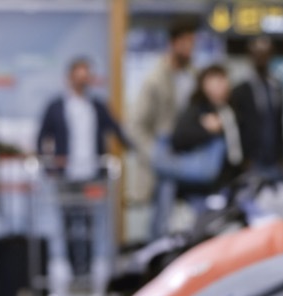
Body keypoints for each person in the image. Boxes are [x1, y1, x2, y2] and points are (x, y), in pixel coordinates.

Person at [131, 16, 198, 238]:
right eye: (186, 42)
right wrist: (155, 153)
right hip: (164, 155)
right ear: (174, 43)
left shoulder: (193, 77)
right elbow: (135, 125)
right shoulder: (155, 79)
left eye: (192, 42)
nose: (190, 48)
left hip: (189, 156)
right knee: (161, 223)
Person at [36, 57, 131, 181]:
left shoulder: (97, 107)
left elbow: (116, 129)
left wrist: (134, 148)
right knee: (68, 200)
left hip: (94, 172)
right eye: (78, 78)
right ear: (70, 78)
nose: (82, 82)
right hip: (65, 174)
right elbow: (42, 137)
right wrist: (47, 167)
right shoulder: (56, 107)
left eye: (85, 78)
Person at [171, 65, 245, 198]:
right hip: (203, 187)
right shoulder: (198, 108)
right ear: (205, 84)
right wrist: (207, 130)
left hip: (231, 180)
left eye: (224, 80)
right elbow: (178, 139)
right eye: (217, 80)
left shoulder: (229, 108)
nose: (223, 85)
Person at [231, 35, 283, 181]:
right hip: (252, 160)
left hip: (274, 160)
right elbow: (237, 126)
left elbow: (279, 124)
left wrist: (281, 156)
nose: (261, 56)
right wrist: (244, 156)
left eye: (265, 52)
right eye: (257, 52)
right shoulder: (240, 90)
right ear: (250, 55)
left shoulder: (276, 87)